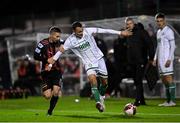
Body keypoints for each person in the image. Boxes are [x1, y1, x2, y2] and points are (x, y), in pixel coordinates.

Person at [47, 21, 132, 112]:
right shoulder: (70, 40)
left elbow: (104, 30)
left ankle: (101, 97)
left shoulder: (88, 31)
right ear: (74, 31)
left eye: (82, 30)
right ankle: (98, 102)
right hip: (88, 62)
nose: (81, 33)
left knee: (104, 84)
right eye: (79, 32)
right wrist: (51, 63)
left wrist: (120, 32)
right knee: (93, 80)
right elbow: (61, 51)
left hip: (99, 59)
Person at [122, 18, 154, 106]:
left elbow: (150, 45)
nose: (128, 25)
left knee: (138, 80)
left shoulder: (141, 32)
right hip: (132, 62)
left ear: (133, 23)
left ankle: (138, 100)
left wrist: (151, 58)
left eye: (130, 23)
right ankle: (142, 100)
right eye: (127, 24)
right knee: (136, 81)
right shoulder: (128, 34)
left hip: (141, 60)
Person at [34, 26, 64, 115]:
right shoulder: (42, 43)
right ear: (51, 35)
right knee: (47, 96)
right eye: (57, 36)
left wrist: (65, 46)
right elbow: (35, 56)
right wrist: (46, 59)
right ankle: (46, 91)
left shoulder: (60, 42)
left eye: (59, 36)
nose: (59, 38)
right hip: (46, 72)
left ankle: (50, 111)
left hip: (57, 71)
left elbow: (68, 43)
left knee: (56, 92)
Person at [153, 13, 176, 106]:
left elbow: (173, 46)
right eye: (157, 21)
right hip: (160, 60)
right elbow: (158, 47)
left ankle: (172, 101)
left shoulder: (169, 31)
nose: (159, 23)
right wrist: (155, 58)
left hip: (167, 59)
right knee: (164, 80)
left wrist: (170, 59)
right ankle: (167, 101)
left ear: (164, 21)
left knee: (169, 79)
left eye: (161, 21)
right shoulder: (158, 32)